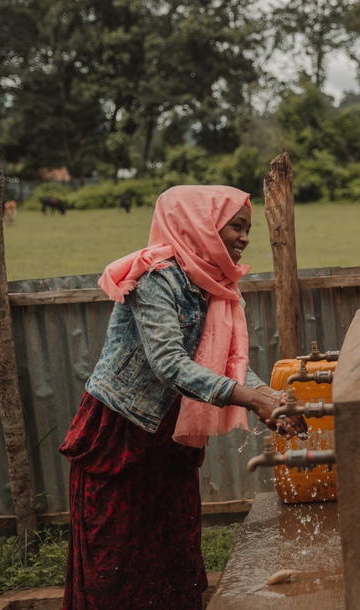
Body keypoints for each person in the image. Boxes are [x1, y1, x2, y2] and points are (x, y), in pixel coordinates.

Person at [59, 185, 306, 609]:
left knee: (170, 545)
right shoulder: (157, 276)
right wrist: (252, 400)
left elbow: (224, 359)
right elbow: (168, 363)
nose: (245, 237)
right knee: (115, 552)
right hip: (122, 430)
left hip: (167, 434)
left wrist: (269, 395)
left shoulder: (212, 281)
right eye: (237, 227)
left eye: (248, 229)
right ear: (203, 225)